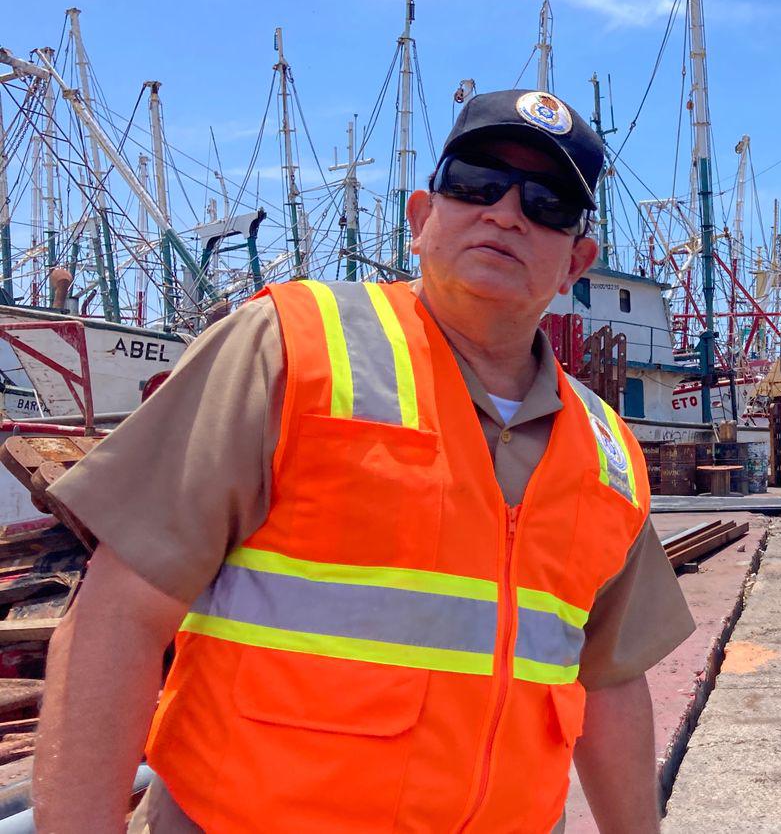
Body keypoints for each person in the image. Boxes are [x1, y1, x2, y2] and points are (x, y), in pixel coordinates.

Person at [33, 89, 695, 833]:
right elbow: (116, 618)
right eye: (475, 184)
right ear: (420, 219)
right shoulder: (287, 348)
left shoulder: (606, 451)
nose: (506, 214)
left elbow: (608, 685)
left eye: (545, 203)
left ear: (576, 261)